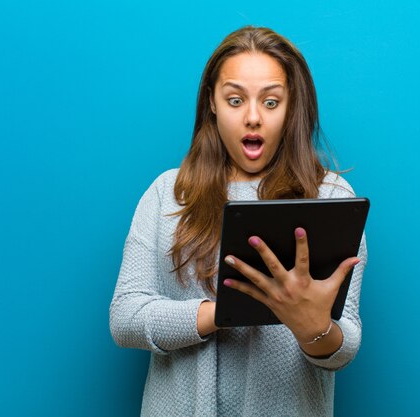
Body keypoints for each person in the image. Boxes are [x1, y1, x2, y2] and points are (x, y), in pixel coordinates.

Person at [109, 25, 367, 416]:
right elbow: (125, 317)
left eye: (270, 102)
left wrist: (313, 326)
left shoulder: (331, 197)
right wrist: (223, 312)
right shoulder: (167, 193)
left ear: (291, 106)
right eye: (234, 100)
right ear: (211, 103)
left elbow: (344, 345)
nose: (252, 117)